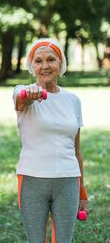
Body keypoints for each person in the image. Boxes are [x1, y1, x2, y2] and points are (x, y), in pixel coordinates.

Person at [13, 38, 88, 242]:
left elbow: (77, 151)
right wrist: (30, 94)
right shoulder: (24, 91)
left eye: (51, 59)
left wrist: (82, 191)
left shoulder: (73, 100)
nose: (45, 66)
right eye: (38, 61)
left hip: (68, 180)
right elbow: (21, 99)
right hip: (32, 179)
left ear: (60, 64)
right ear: (32, 66)